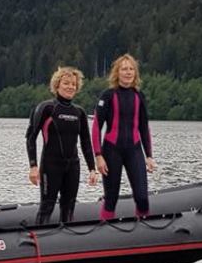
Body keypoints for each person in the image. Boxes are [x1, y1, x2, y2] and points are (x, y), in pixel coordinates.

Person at [26, 66, 98, 225]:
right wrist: (33, 166)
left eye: (73, 84)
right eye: (66, 83)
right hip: (51, 165)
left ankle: (65, 238)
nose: (70, 87)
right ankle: (40, 237)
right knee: (47, 207)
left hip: (73, 166)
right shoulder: (47, 108)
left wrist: (92, 169)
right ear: (57, 85)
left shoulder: (79, 112)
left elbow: (86, 141)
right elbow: (31, 137)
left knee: (69, 208)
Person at [92, 54, 156, 219]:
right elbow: (97, 126)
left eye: (131, 69)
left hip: (134, 150)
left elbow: (144, 127)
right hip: (111, 150)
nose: (128, 72)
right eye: (124, 69)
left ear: (135, 73)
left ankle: (143, 228)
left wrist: (149, 156)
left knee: (142, 197)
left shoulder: (139, 96)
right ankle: (105, 229)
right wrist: (98, 156)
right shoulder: (108, 95)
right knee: (111, 198)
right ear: (117, 72)